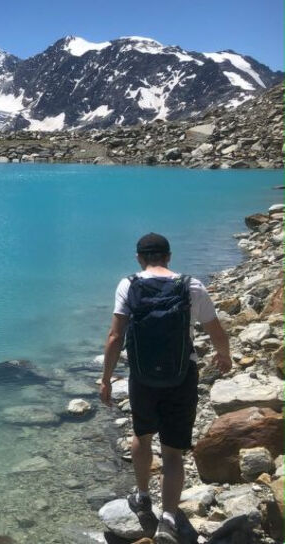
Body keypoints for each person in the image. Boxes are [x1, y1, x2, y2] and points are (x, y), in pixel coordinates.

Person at [99, 233, 231, 544]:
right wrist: (224, 356)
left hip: (142, 376)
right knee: (172, 451)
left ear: (139, 258)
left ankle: (143, 496)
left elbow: (115, 337)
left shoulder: (128, 285)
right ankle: (169, 517)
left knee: (142, 435)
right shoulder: (191, 285)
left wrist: (106, 378)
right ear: (169, 256)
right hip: (181, 375)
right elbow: (215, 330)